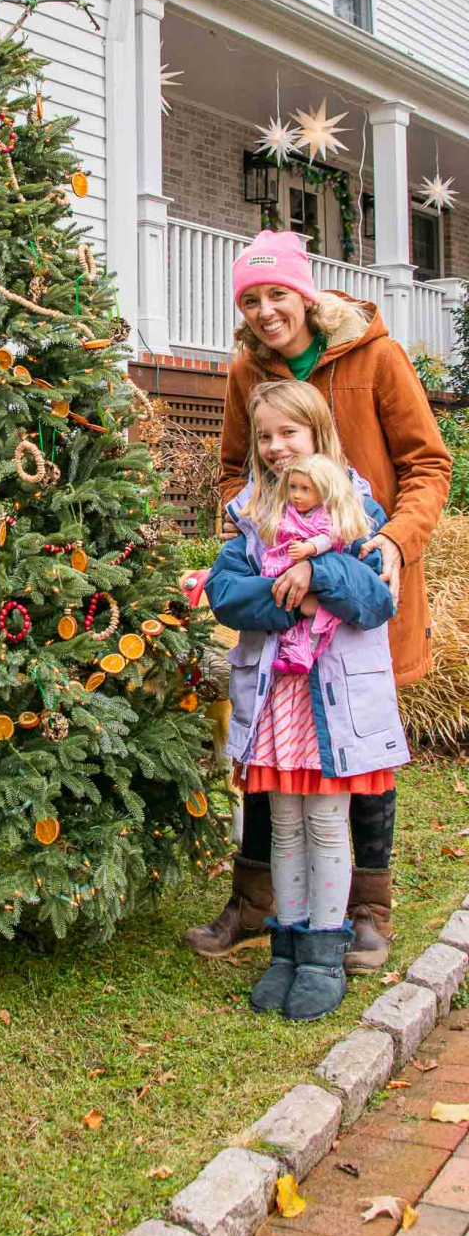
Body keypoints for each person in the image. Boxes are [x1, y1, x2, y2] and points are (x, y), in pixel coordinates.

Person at [183, 230, 450, 973]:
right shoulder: (248, 369)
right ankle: (257, 899)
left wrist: (395, 541)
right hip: (279, 590)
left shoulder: (374, 356)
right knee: (273, 741)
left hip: (366, 586)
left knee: (357, 750)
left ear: (306, 295)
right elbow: (237, 467)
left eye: (278, 294)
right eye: (251, 299)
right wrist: (242, 553)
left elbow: (428, 462)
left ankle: (365, 910)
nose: (268, 312)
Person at [204, 388, 407, 1020]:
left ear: (317, 433)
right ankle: (286, 947)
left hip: (332, 705)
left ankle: (324, 950)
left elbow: (375, 600)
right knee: (285, 825)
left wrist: (319, 576)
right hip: (276, 701)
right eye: (264, 437)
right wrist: (294, 596)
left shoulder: (355, 508)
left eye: (288, 433)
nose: (274, 447)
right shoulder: (252, 513)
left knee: (324, 825)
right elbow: (227, 594)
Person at [259, 455, 364, 675]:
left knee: (311, 623)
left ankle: (304, 654)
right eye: (293, 487)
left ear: (324, 490)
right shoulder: (288, 514)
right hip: (287, 570)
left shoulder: (325, 517)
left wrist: (309, 548)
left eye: (305, 489)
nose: (296, 494)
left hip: (314, 573)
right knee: (291, 621)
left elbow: (329, 538)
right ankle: (289, 654)